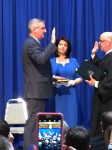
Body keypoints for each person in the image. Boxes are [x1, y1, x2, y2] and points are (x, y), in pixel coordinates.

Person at [22, 18, 57, 150]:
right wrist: (52, 43)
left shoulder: (33, 43)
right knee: (32, 123)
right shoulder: (31, 44)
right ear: (35, 29)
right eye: (42, 28)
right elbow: (41, 59)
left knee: (34, 122)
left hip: (37, 90)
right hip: (35, 91)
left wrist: (51, 78)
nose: (45, 31)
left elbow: (37, 67)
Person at [85, 32, 112, 137]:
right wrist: (94, 54)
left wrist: (96, 83)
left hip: (111, 104)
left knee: (108, 135)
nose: (99, 43)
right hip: (106, 103)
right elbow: (101, 69)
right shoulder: (110, 57)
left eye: (101, 41)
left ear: (108, 42)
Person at [50, 36, 82, 127]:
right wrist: (53, 83)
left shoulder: (73, 61)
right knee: (57, 121)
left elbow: (80, 77)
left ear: (68, 48)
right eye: (60, 44)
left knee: (71, 120)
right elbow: (47, 78)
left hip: (70, 95)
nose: (63, 47)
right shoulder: (51, 62)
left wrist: (72, 82)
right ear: (56, 46)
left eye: (65, 45)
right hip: (56, 95)